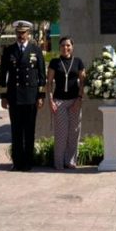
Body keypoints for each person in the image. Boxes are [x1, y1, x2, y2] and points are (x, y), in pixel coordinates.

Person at [0, 21, 46, 171]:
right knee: (16, 131)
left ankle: (28, 162)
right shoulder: (9, 50)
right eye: (18, 33)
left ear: (28, 34)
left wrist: (41, 96)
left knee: (29, 130)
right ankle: (17, 162)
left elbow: (42, 75)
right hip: (14, 97)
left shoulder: (36, 50)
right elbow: (3, 75)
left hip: (31, 96)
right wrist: (3, 96)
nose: (21, 35)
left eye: (23, 33)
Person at [47, 36, 86, 170]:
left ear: (72, 47)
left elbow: (83, 82)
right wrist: (50, 100)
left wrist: (80, 99)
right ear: (60, 47)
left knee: (74, 133)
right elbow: (49, 82)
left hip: (75, 101)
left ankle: (70, 161)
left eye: (68, 45)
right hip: (60, 102)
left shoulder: (78, 62)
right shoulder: (54, 62)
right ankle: (58, 163)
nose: (65, 48)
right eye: (63, 45)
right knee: (61, 134)